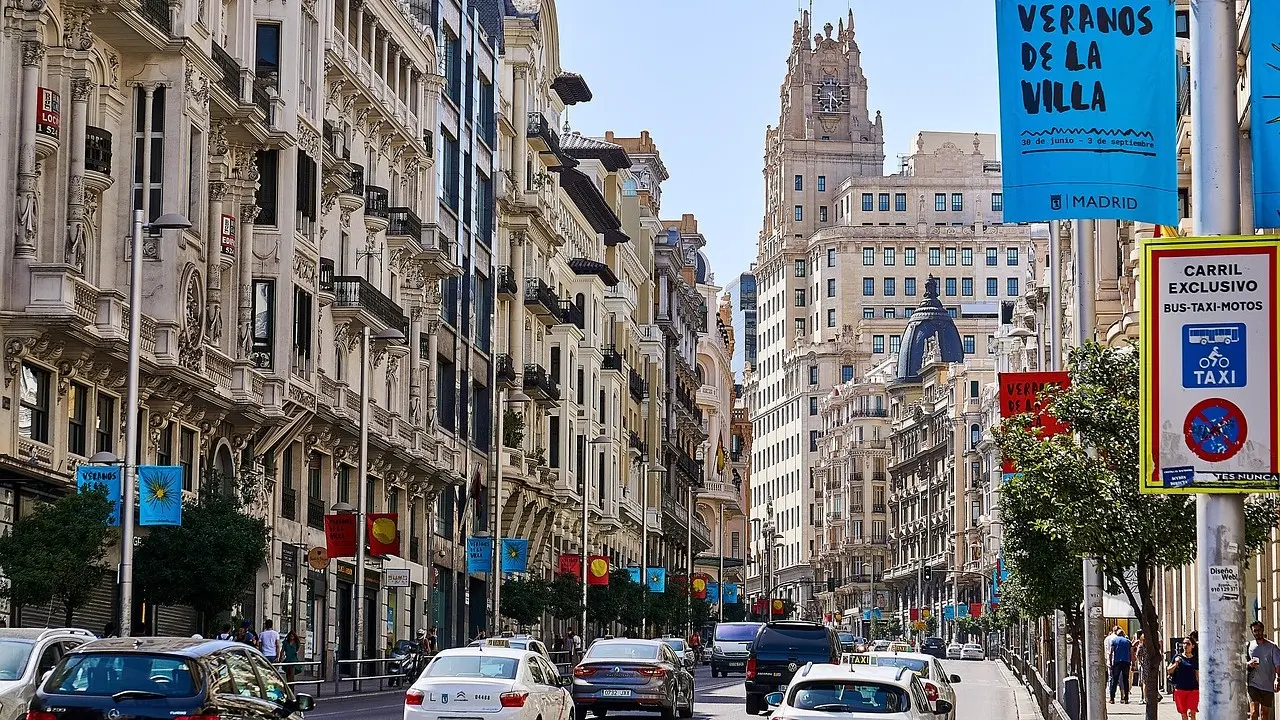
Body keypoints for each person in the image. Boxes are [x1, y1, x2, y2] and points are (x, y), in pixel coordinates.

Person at [1247, 621, 1280, 720]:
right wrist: (1248, 664)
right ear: (1252, 632)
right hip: (1253, 684)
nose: (1257, 632)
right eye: (1255, 631)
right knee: (1254, 712)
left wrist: (1277, 679)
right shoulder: (1249, 645)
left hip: (1268, 685)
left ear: (1263, 630)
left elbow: (1278, 665)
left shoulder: (1272, 647)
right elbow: (1241, 662)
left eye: (1259, 630)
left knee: (1264, 713)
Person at [1167, 637, 1199, 720]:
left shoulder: (1195, 659)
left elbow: (1197, 675)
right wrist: (1176, 663)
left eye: (1188, 644)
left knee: (1191, 713)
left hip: (1193, 690)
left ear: (1193, 646)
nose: (1185, 645)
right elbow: (1169, 670)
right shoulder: (1178, 657)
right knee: (1184, 715)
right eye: (1184, 643)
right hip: (1180, 690)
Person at [1107, 627, 1133, 704]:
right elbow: (1131, 652)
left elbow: (1111, 652)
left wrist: (1111, 663)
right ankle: (1126, 698)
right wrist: (1132, 662)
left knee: (1114, 680)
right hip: (1126, 662)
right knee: (1125, 680)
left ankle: (1112, 698)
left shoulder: (1114, 641)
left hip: (1117, 662)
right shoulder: (1128, 641)